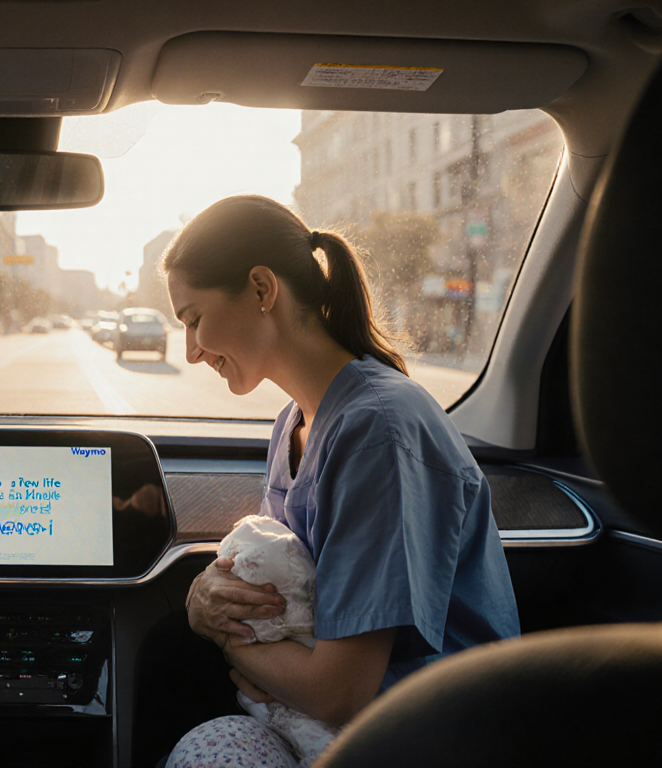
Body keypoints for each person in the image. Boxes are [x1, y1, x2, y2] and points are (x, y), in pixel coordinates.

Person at [160, 195, 519, 768]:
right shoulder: (296, 423)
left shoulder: (377, 428)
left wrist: (215, 629)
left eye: (194, 319)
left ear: (260, 289)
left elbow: (337, 689)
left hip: (427, 735)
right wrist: (210, 598)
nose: (192, 350)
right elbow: (278, 601)